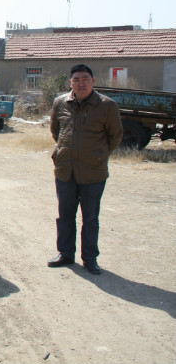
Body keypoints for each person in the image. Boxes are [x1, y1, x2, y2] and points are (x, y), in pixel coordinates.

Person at [48, 64, 123, 275]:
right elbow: (55, 130)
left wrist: (98, 155)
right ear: (70, 82)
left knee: (90, 218)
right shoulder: (60, 103)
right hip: (65, 169)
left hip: (93, 171)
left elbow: (115, 136)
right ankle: (65, 253)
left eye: (85, 79)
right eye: (76, 80)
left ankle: (90, 258)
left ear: (93, 81)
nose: (81, 84)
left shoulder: (107, 105)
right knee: (65, 215)